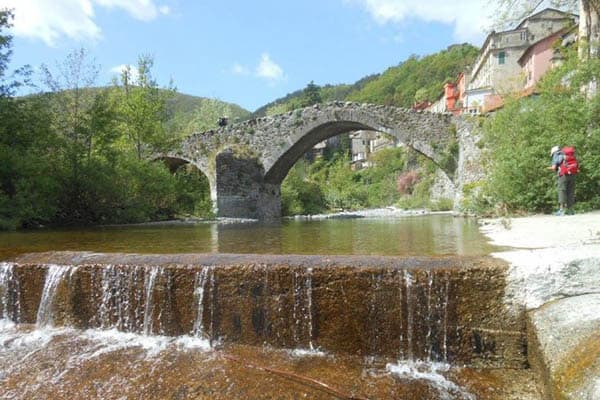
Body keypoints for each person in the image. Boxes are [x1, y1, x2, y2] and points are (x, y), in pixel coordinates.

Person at [548, 145, 577, 215]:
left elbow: (553, 167)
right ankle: (571, 210)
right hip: (572, 174)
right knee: (570, 191)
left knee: (562, 191)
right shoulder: (569, 155)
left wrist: (548, 168)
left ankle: (561, 210)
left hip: (563, 175)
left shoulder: (556, 154)